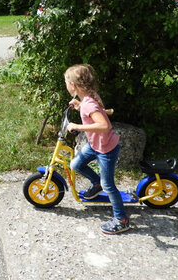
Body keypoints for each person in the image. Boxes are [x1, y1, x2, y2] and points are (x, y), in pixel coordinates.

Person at [64, 64, 129, 235]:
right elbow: (97, 111)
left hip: (106, 149)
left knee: (109, 186)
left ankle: (121, 220)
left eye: (66, 82)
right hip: (95, 144)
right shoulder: (89, 98)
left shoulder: (89, 103)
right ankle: (96, 182)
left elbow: (104, 125)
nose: (66, 85)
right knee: (76, 164)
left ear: (73, 85)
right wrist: (79, 106)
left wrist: (77, 125)